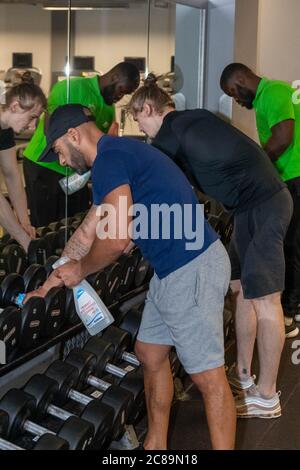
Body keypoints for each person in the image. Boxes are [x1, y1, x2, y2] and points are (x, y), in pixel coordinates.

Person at [26, 103, 236, 450]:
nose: (61, 161)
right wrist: (46, 286)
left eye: (59, 151)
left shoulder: (111, 159)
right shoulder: (116, 158)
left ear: (74, 135)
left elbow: (115, 240)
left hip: (192, 267)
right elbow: (86, 235)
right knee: (149, 351)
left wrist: (81, 270)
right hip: (171, 272)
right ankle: (155, 445)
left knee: (207, 377)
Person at [126, 75, 293, 420]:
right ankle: (245, 376)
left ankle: (267, 394)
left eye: (138, 119)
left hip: (265, 203)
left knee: (266, 298)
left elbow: (147, 180)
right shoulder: (193, 120)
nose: (141, 128)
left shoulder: (173, 129)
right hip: (248, 208)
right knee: (241, 288)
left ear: (147, 108)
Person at [220, 63, 300, 331]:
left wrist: (256, 166)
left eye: (233, 92)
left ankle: (289, 312)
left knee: (290, 246)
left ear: (241, 79)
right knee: (290, 245)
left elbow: (283, 138)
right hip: (289, 178)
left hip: (294, 177)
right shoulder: (269, 96)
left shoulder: (274, 92)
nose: (237, 100)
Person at [23, 62, 140, 227]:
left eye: (124, 95)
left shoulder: (108, 108)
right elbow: (51, 127)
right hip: (43, 164)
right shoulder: (71, 87)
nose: (119, 97)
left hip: (73, 173)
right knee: (44, 226)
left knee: (72, 224)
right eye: (121, 90)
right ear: (114, 77)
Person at [0, 74, 46, 250]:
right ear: (14, 106)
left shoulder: (4, 130)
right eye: (32, 117)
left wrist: (25, 223)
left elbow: (12, 175)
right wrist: (23, 239)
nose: (33, 126)